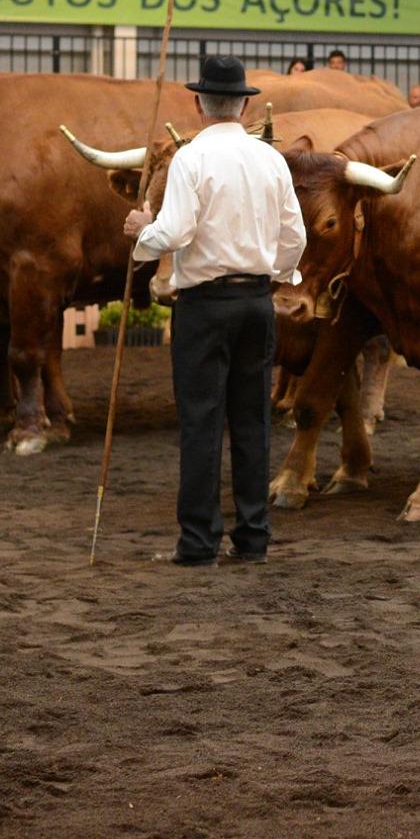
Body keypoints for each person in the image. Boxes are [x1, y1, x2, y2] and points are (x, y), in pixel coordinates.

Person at [123, 56, 305, 567]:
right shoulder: (270, 159)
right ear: (245, 105)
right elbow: (296, 236)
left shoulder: (190, 159)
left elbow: (175, 233)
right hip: (255, 302)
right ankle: (253, 539)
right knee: (253, 421)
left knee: (202, 422)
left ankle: (199, 542)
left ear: (199, 104)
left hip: (204, 305)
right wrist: (278, 275)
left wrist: (143, 231)